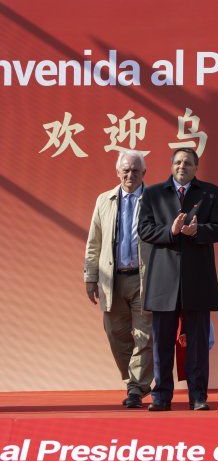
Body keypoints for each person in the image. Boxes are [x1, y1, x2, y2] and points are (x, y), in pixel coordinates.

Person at [138, 147, 218, 411]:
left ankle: (198, 396)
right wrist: (171, 230)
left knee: (197, 343)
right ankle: (161, 396)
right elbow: (144, 229)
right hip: (164, 279)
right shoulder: (153, 193)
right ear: (171, 165)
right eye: (178, 162)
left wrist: (199, 230)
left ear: (196, 168)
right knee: (162, 341)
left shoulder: (211, 192)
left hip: (198, 278)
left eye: (188, 163)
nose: (182, 166)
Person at [83, 150, 153, 409]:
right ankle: (133, 380)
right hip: (111, 279)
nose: (130, 175)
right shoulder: (105, 200)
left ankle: (136, 388)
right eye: (126, 170)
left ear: (144, 174)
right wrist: (90, 277)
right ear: (118, 172)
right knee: (116, 333)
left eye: (136, 170)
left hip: (144, 278)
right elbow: (94, 242)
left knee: (145, 336)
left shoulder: (154, 199)